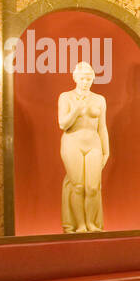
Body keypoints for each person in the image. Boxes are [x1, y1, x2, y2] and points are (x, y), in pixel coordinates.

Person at [58, 61, 109, 233]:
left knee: (93, 187)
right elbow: (63, 124)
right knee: (77, 186)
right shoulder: (65, 97)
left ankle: (92, 223)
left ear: (93, 79)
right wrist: (76, 110)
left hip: (94, 143)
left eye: (89, 78)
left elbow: (102, 126)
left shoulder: (100, 99)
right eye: (82, 78)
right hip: (73, 142)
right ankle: (79, 224)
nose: (85, 81)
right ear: (75, 78)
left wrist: (106, 150)